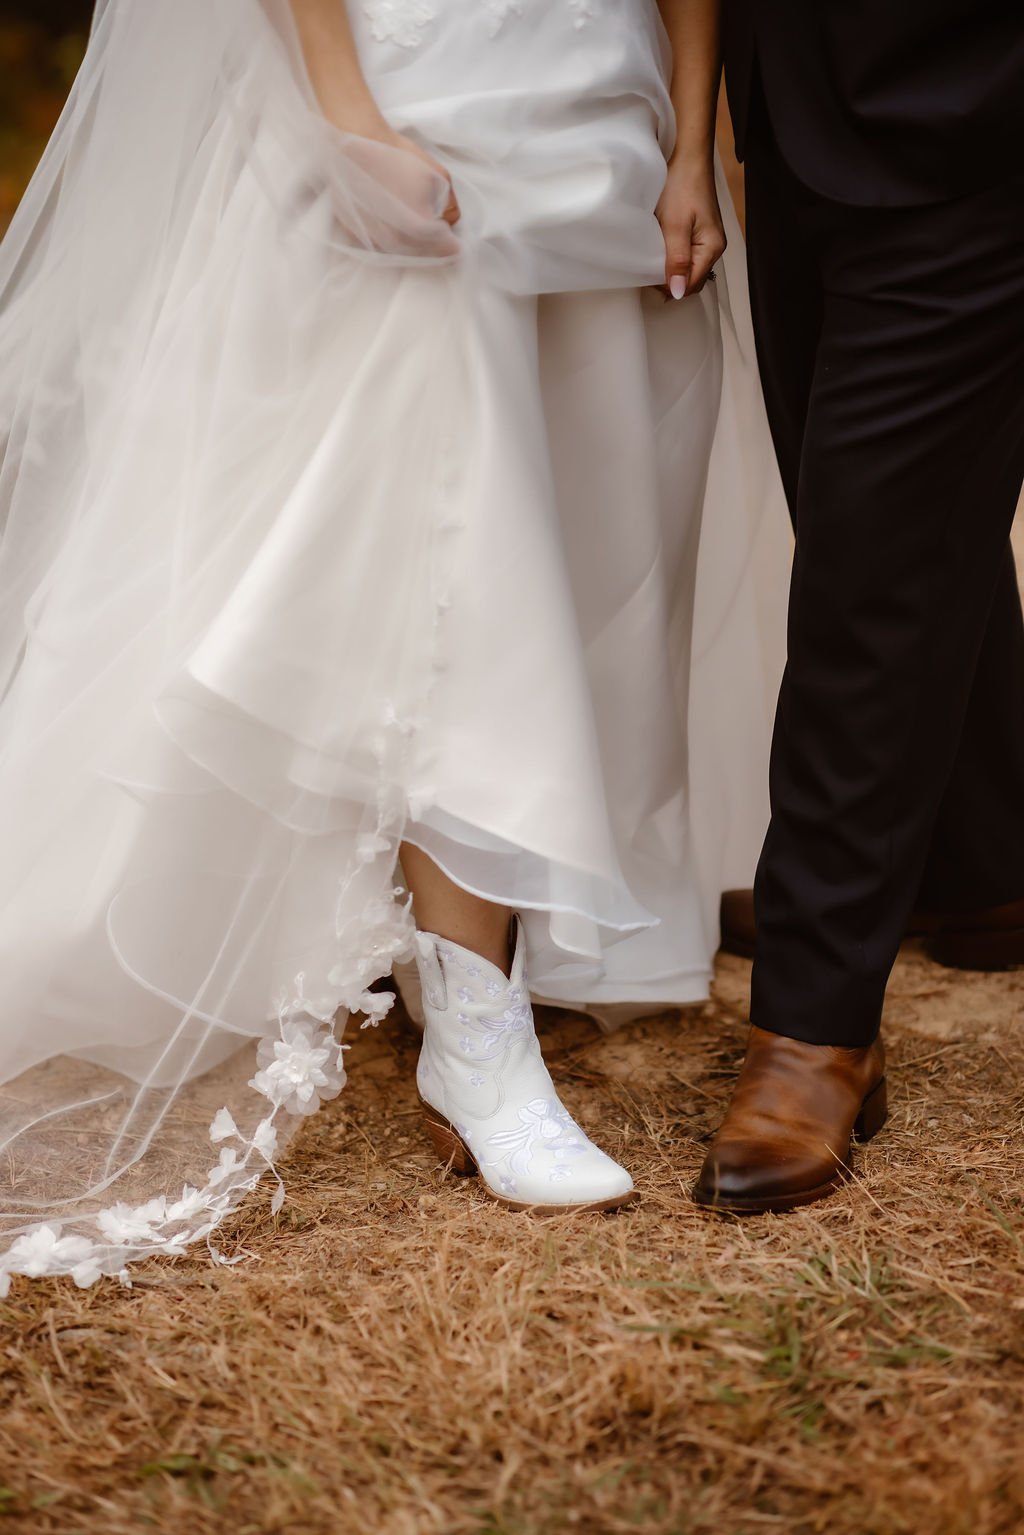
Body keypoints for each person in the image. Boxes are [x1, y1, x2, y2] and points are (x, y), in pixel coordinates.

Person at [0, 0, 787, 1287]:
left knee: (592, 495)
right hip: (416, 73)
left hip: (603, 89)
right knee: (455, 538)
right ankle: (477, 1029)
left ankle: (463, 925)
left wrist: (695, 138)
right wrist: (344, 109)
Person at [697, 0, 1024, 1213]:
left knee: (866, 578)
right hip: (796, 105)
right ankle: (984, 863)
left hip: (977, 111)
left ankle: (815, 1020)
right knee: (886, 524)